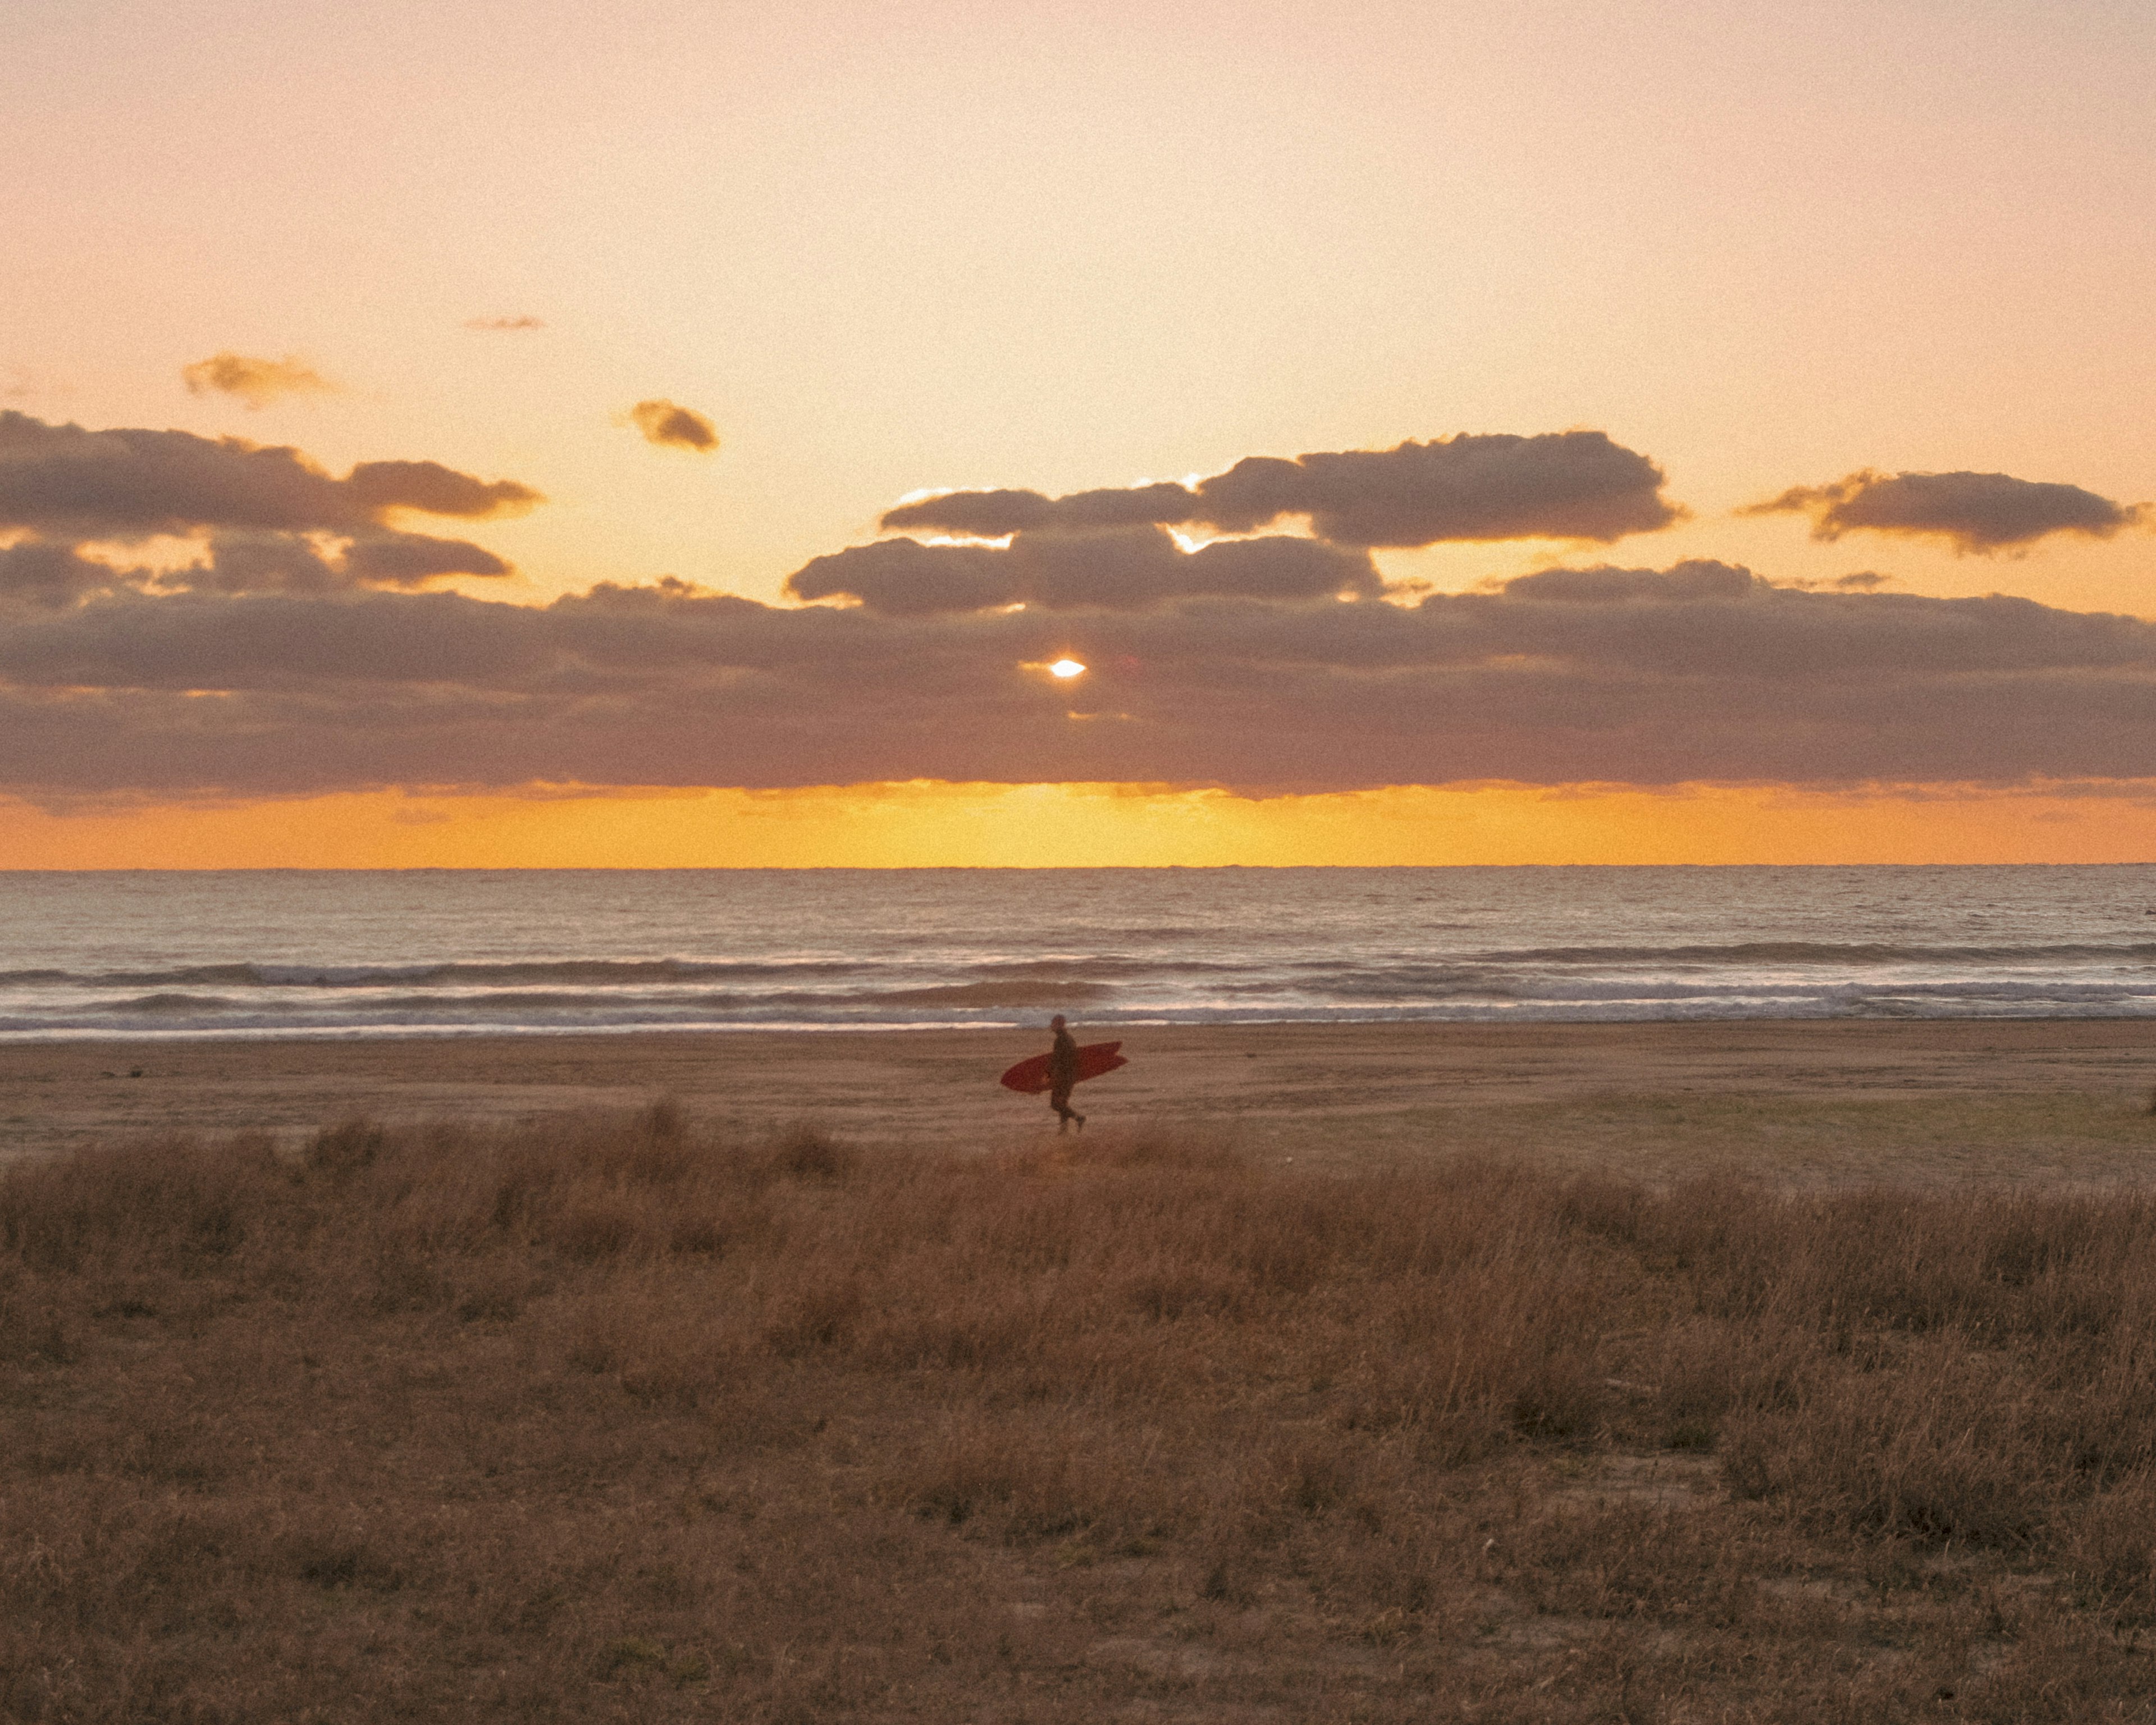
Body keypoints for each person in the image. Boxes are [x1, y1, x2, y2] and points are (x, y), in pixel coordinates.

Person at [1047, 1013, 1085, 1134]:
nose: (1051, 1026)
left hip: (1064, 1076)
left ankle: (1078, 1118)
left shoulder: (1060, 1040)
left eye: (1053, 1024)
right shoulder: (1069, 1038)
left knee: (1056, 1104)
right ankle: (1063, 1130)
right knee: (1062, 1103)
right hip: (1071, 1076)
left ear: (1059, 1025)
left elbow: (1056, 1060)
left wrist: (1048, 1075)